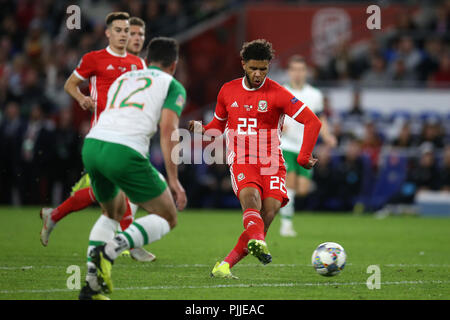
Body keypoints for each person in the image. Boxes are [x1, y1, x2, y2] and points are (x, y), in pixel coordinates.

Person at [188, 39, 322, 278]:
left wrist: (303, 157)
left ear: (269, 65)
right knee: (250, 197)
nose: (258, 73)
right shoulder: (227, 90)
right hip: (241, 157)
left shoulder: (279, 93)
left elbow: (313, 121)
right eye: (253, 68)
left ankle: (224, 266)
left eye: (263, 68)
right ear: (243, 65)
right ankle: (259, 241)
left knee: (268, 214)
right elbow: (217, 126)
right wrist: (202, 128)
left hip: (271, 160)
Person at [39, 14, 154, 262]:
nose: (124, 34)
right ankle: (132, 245)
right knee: (119, 190)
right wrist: (81, 99)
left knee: (103, 193)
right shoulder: (94, 59)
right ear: (108, 33)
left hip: (129, 135)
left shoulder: (138, 63)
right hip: (103, 134)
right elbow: (70, 84)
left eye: (127, 30)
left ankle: (55, 215)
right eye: (119, 30)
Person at [79, 36, 187, 300]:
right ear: (174, 65)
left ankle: (91, 284)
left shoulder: (123, 79)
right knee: (167, 217)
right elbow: (168, 130)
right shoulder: (172, 85)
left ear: (147, 61)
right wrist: (173, 179)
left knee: (111, 213)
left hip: (92, 145)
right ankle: (112, 250)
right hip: (124, 150)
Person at [279, 55, 336, 237]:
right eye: (294, 69)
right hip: (284, 145)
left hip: (305, 146)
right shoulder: (281, 91)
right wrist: (279, 125)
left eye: (301, 69)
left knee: (302, 188)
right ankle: (286, 225)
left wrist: (327, 136)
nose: (297, 73)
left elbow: (321, 119)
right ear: (289, 72)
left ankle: (274, 194)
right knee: (290, 184)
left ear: (306, 72)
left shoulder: (315, 95)